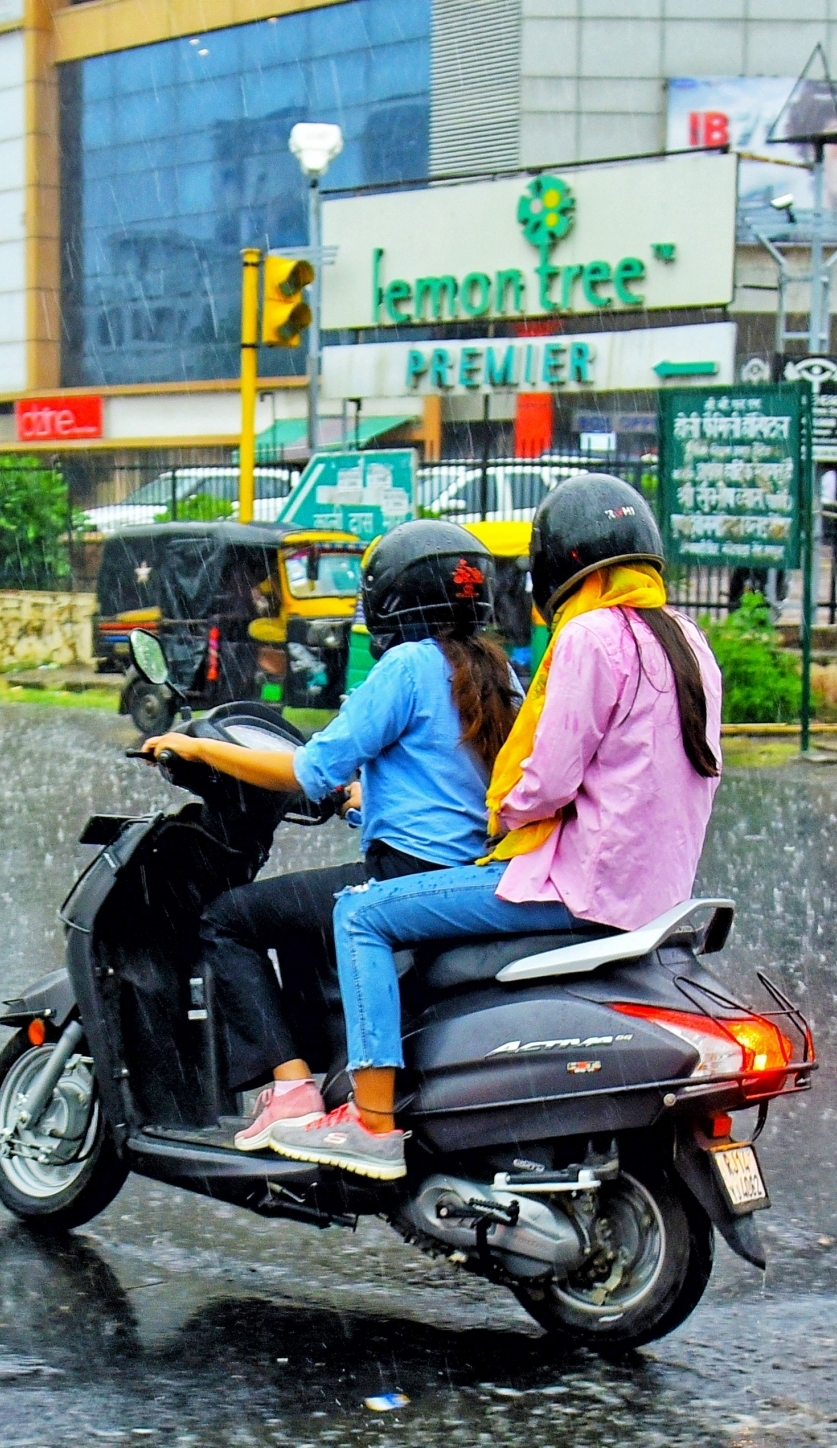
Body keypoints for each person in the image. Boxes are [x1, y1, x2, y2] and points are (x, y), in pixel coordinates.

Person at [266, 475, 723, 1182]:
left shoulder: (591, 636)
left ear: (559, 570)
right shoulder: (687, 639)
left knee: (359, 915)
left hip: (577, 886)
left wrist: (499, 814)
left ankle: (372, 1120)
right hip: (655, 892)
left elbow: (543, 782)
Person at [140, 520, 520, 1151]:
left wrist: (199, 748)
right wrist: (364, 800)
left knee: (228, 919)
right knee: (301, 914)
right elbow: (448, 779)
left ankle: (289, 1091)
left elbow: (310, 769)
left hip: (404, 878)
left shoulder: (405, 665)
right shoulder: (497, 673)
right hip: (464, 879)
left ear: (391, 599)